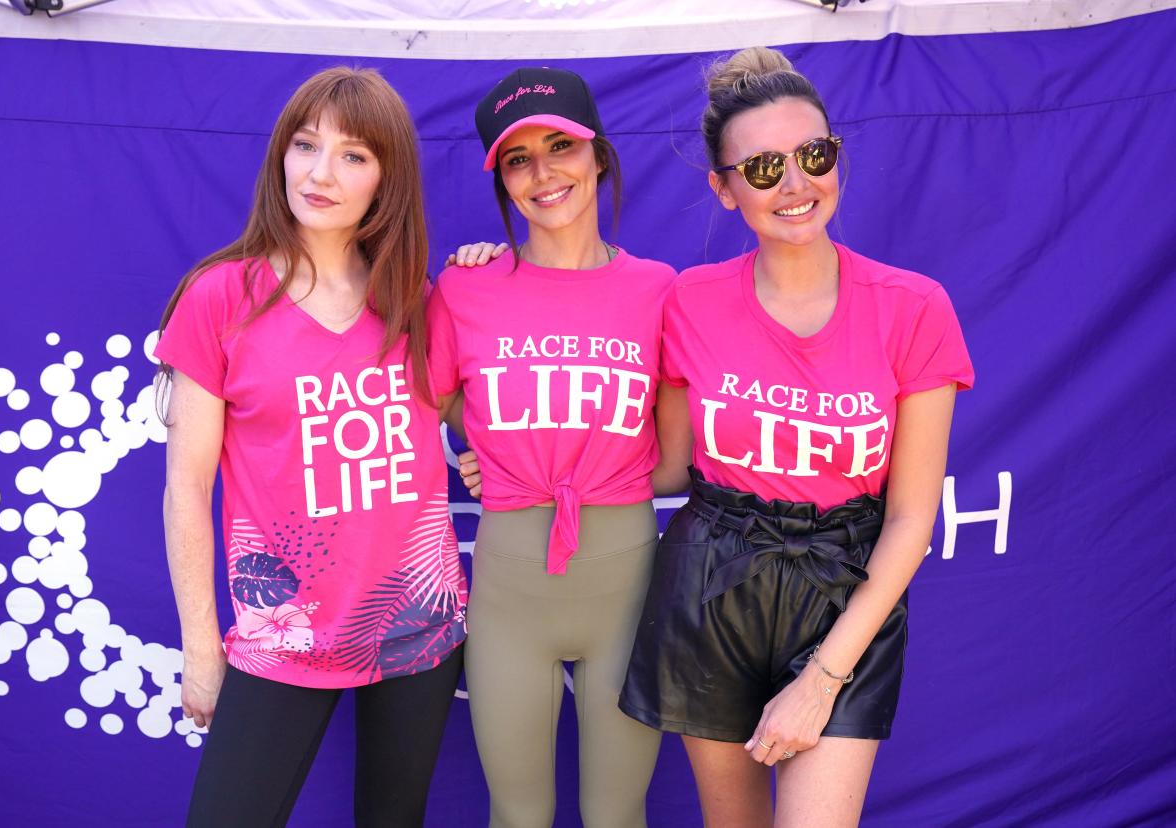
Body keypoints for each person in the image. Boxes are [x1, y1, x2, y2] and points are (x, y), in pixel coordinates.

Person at [618, 47, 975, 827]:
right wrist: (526, 455)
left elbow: (913, 517)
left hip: (844, 588)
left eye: (813, 155)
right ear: (724, 188)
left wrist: (823, 677)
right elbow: (668, 466)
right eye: (762, 167)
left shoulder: (914, 308)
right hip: (711, 583)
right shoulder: (690, 300)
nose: (795, 184)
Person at [155, 66, 467, 828]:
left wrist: (483, 274)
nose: (321, 172)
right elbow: (186, 489)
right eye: (305, 145)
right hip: (281, 635)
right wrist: (203, 649)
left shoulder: (418, 303)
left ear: (385, 179)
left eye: (354, 155)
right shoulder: (221, 297)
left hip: (416, 624)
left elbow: (484, 426)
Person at [426, 67, 677, 827]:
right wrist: (495, 453)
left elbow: (673, 457)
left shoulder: (661, 289)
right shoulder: (465, 289)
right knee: (518, 814)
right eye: (518, 158)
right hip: (511, 595)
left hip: (626, 586)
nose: (544, 172)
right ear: (502, 180)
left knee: (616, 814)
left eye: (560, 146)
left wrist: (577, 463)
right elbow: (429, 406)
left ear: (598, 155)